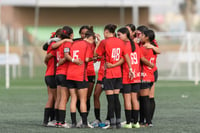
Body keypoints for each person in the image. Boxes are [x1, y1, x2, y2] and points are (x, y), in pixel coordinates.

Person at [94, 24, 133, 129]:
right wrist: (130, 69)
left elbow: (96, 55)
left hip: (109, 74)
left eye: (104, 32)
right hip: (118, 74)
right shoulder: (121, 42)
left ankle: (111, 123)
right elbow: (125, 57)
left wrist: (97, 43)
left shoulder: (104, 42)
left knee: (110, 100)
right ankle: (118, 122)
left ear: (107, 31)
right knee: (116, 99)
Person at [66, 30, 94, 128]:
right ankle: (85, 123)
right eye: (92, 41)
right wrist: (93, 58)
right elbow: (86, 59)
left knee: (73, 99)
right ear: (90, 38)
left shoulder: (74, 43)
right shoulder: (87, 45)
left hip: (70, 74)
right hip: (80, 75)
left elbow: (67, 55)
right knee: (83, 100)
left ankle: (73, 123)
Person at [43, 28, 62, 126]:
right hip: (53, 75)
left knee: (51, 97)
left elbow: (46, 57)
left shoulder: (51, 44)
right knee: (57, 98)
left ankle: (46, 121)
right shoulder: (56, 46)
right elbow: (51, 55)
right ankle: (54, 120)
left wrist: (47, 63)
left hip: (48, 74)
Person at [139, 29, 157, 127]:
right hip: (150, 75)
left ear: (147, 37)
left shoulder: (143, 48)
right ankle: (144, 121)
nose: (140, 36)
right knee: (145, 99)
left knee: (144, 99)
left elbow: (142, 59)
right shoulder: (153, 47)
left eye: (142, 35)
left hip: (144, 75)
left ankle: (148, 122)